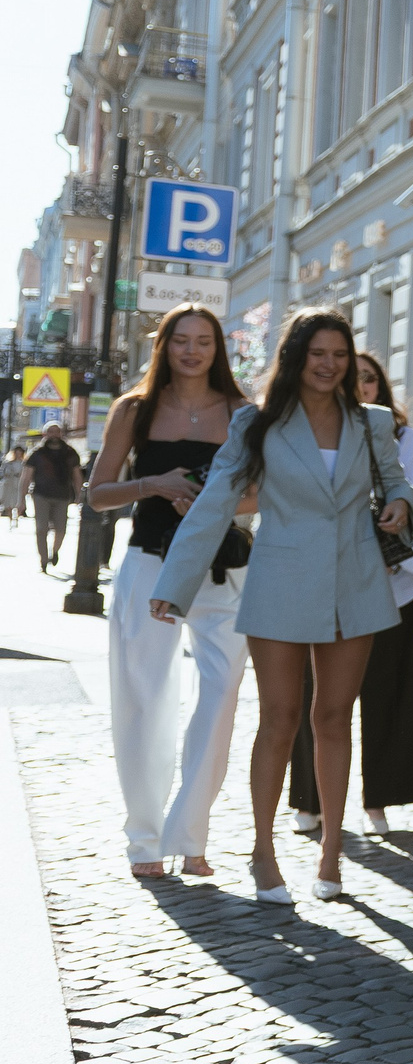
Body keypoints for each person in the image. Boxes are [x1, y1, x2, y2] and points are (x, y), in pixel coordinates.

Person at [151, 307, 413, 907]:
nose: (329, 365)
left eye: (340, 355)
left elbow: (398, 482)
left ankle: (330, 855)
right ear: (296, 358)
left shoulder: (371, 421)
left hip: (355, 582)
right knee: (279, 719)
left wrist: (401, 504)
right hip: (279, 581)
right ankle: (263, 851)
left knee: (334, 718)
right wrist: (175, 583)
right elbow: (217, 501)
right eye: (317, 353)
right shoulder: (257, 423)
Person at [89, 305, 254, 880]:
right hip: (149, 564)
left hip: (223, 570)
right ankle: (145, 840)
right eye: (180, 340)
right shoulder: (134, 409)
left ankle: (193, 833)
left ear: (217, 348)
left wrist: (216, 502)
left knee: (222, 692)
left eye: (203, 341)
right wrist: (153, 484)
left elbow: (261, 493)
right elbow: (98, 493)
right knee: (142, 698)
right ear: (164, 346)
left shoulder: (241, 412)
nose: (191, 351)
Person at [27, 423, 81, 571]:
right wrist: (21, 500)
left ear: (61, 434)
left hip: (63, 496)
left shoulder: (70, 453)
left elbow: (77, 476)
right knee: (41, 529)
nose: (54, 434)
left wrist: (79, 495)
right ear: (45, 434)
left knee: (61, 529)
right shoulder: (37, 453)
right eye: (50, 431)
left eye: (57, 431)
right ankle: (43, 560)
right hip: (40, 494)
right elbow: (26, 476)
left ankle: (55, 551)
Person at [1, 445, 26, 522]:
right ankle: (11, 519)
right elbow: (3, 472)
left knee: (18, 501)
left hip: (19, 484)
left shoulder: (24, 464)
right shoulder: (8, 463)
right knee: (8, 503)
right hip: (9, 484)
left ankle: (17, 518)